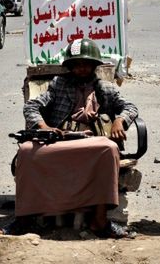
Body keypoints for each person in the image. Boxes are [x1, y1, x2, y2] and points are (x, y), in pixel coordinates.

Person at [10, 38, 138, 238]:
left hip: (92, 144)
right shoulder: (58, 85)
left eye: (86, 64)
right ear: (70, 67)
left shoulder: (106, 89)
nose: (81, 69)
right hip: (61, 141)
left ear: (94, 66)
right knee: (26, 151)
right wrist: (44, 127)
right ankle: (24, 220)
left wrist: (120, 120)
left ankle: (100, 221)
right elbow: (31, 106)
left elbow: (130, 107)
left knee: (109, 149)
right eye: (76, 65)